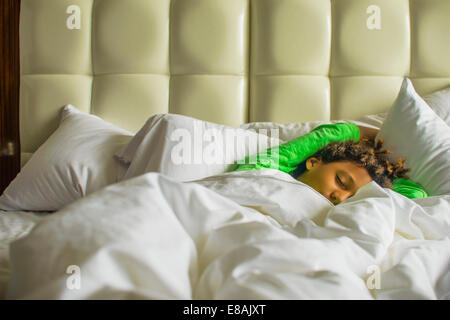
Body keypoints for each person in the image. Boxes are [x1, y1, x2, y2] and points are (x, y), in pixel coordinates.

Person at [233, 123, 427, 204]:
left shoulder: (339, 215)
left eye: (352, 197)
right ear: (313, 162)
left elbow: (416, 195)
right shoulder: (268, 172)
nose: (341, 198)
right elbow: (252, 170)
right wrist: (383, 138)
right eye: (341, 181)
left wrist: (390, 173)